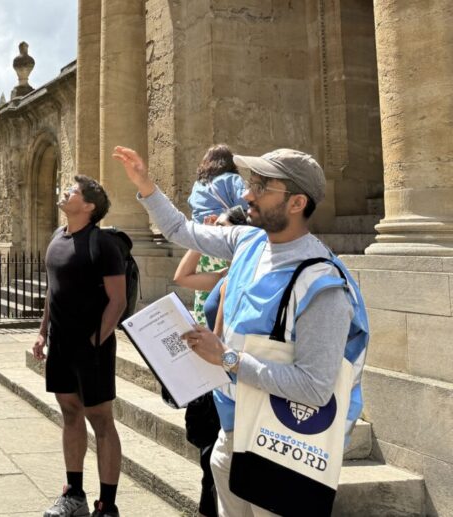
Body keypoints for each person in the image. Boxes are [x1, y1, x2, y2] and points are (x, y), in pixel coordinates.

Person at [114, 146, 367, 517]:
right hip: (232, 435)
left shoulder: (323, 285)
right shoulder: (247, 241)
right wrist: (146, 185)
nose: (247, 194)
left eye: (262, 187)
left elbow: (314, 387)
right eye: (252, 183)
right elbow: (180, 230)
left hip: (281, 446)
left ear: (297, 203)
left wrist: (226, 358)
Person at [32, 175, 127, 517]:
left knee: (101, 419)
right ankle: (74, 494)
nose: (65, 192)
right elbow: (52, 291)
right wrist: (43, 333)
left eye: (73, 191)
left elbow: (117, 300)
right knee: (70, 413)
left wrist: (96, 341)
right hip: (61, 345)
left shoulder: (103, 244)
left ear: (88, 206)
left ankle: (108, 504)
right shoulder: (58, 237)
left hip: (93, 347)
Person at [170, 208, 246, 517]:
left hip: (225, 372)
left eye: (225, 229)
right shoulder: (224, 274)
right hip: (213, 372)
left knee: (215, 459)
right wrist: (202, 239)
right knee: (208, 458)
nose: (218, 233)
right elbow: (181, 277)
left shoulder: (241, 276)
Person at [187, 145, 248, 326]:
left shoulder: (198, 185)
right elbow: (244, 206)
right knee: (227, 285)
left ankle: (203, 325)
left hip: (202, 243)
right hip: (225, 239)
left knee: (203, 288)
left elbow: (193, 208)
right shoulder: (233, 179)